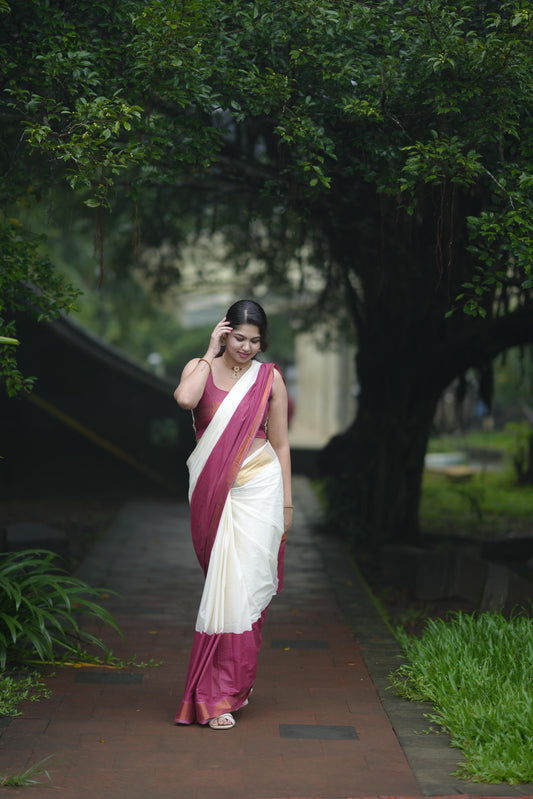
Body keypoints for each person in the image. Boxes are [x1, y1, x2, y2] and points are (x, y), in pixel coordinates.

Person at [173, 299, 292, 730]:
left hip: (261, 488)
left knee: (245, 590)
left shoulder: (269, 378)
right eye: (239, 338)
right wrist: (207, 352)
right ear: (225, 332)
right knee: (222, 589)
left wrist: (288, 503)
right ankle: (223, 685)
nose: (247, 347)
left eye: (255, 341)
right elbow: (185, 398)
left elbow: (280, 445)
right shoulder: (200, 367)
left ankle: (223, 693)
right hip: (213, 491)